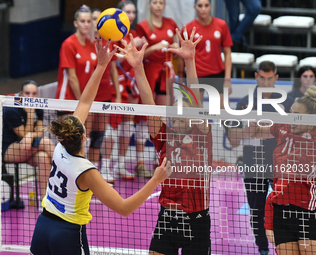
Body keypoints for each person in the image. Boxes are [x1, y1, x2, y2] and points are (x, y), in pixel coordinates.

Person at [30, 37, 169, 255]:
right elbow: (124, 208)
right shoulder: (86, 171)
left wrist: (102, 65)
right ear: (84, 138)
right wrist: (156, 179)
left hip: (42, 226)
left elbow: (85, 102)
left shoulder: (58, 148)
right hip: (66, 233)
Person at [119, 27, 212, 254]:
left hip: (196, 219)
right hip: (167, 218)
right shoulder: (164, 137)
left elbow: (196, 100)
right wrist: (138, 67)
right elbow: (149, 104)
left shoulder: (202, 136)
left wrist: (189, 62)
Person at [227, 61, 294, 255]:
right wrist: (247, 131)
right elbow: (233, 140)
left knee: (285, 207)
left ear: (276, 78)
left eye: (269, 78)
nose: (265, 82)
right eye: (262, 78)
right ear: (256, 76)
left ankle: (284, 247)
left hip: (279, 163)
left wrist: (262, 131)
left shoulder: (287, 103)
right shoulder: (244, 103)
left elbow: (291, 134)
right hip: (253, 163)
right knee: (256, 211)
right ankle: (263, 249)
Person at [247, 85, 316, 254]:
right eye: (290, 112)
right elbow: (254, 133)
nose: (292, 118)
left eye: (297, 115)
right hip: (281, 210)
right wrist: (252, 116)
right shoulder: (284, 128)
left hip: (308, 211)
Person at [54, 5, 120, 170]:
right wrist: (81, 103)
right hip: (68, 99)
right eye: (82, 21)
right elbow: (73, 78)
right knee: (69, 142)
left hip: (84, 100)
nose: (86, 24)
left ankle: (91, 171)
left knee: (94, 137)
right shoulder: (68, 44)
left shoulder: (93, 44)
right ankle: (67, 172)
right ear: (75, 23)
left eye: (88, 21)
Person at [100, 0, 148, 183]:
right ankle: (105, 166)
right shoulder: (110, 33)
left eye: (133, 12)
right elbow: (111, 61)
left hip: (130, 87)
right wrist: (129, 47)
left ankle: (120, 164)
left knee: (128, 126)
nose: (131, 15)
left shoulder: (132, 34)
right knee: (111, 128)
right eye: (127, 12)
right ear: (119, 14)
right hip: (115, 88)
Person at [2, 80, 55, 206]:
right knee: (46, 142)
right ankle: (66, 171)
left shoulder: (39, 106)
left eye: (34, 94)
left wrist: (31, 134)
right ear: (21, 94)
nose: (31, 97)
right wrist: (30, 114)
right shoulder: (11, 108)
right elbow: (23, 135)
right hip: (10, 150)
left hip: (28, 147)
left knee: (43, 157)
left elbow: (39, 132)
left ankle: (45, 203)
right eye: (27, 93)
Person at [180, 0, 233, 108]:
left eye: (206, 5)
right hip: (196, 74)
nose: (203, 9)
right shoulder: (188, 28)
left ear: (211, 7)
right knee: (196, 114)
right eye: (200, 6)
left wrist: (227, 79)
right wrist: (181, 79)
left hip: (217, 73)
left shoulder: (221, 25)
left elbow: (227, 53)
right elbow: (182, 58)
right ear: (195, 7)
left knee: (222, 112)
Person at [135, 0, 178, 106]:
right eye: (155, 2)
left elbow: (176, 48)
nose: (158, 6)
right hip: (150, 70)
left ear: (164, 5)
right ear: (149, 5)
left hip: (166, 70)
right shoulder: (142, 26)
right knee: (149, 105)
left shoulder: (171, 23)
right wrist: (154, 47)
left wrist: (176, 48)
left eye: (161, 3)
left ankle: (162, 123)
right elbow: (138, 56)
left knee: (164, 107)